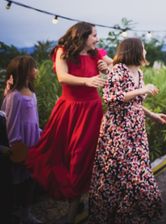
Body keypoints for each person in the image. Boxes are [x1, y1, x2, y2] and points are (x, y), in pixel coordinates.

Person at [27, 22, 107, 223]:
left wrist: (107, 68)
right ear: (82, 36)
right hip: (69, 110)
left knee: (81, 158)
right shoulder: (63, 51)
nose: (97, 39)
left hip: (91, 111)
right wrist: (87, 81)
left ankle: (72, 212)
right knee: (57, 155)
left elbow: (115, 70)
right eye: (94, 35)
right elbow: (62, 77)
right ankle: (67, 199)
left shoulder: (95, 53)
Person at [88, 38, 166, 224]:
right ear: (134, 50)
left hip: (136, 132)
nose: (146, 51)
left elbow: (135, 103)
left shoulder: (139, 73)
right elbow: (112, 98)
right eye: (143, 48)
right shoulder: (118, 71)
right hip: (117, 132)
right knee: (115, 178)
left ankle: (131, 217)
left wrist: (153, 115)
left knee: (140, 178)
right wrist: (142, 89)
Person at [2, 56, 42, 224]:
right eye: (34, 68)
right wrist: (17, 148)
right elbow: (10, 122)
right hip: (21, 146)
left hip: (33, 142)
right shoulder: (15, 96)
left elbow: (35, 121)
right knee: (18, 181)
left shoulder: (31, 93)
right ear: (25, 71)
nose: (37, 71)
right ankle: (15, 212)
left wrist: (41, 135)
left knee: (30, 179)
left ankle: (26, 213)